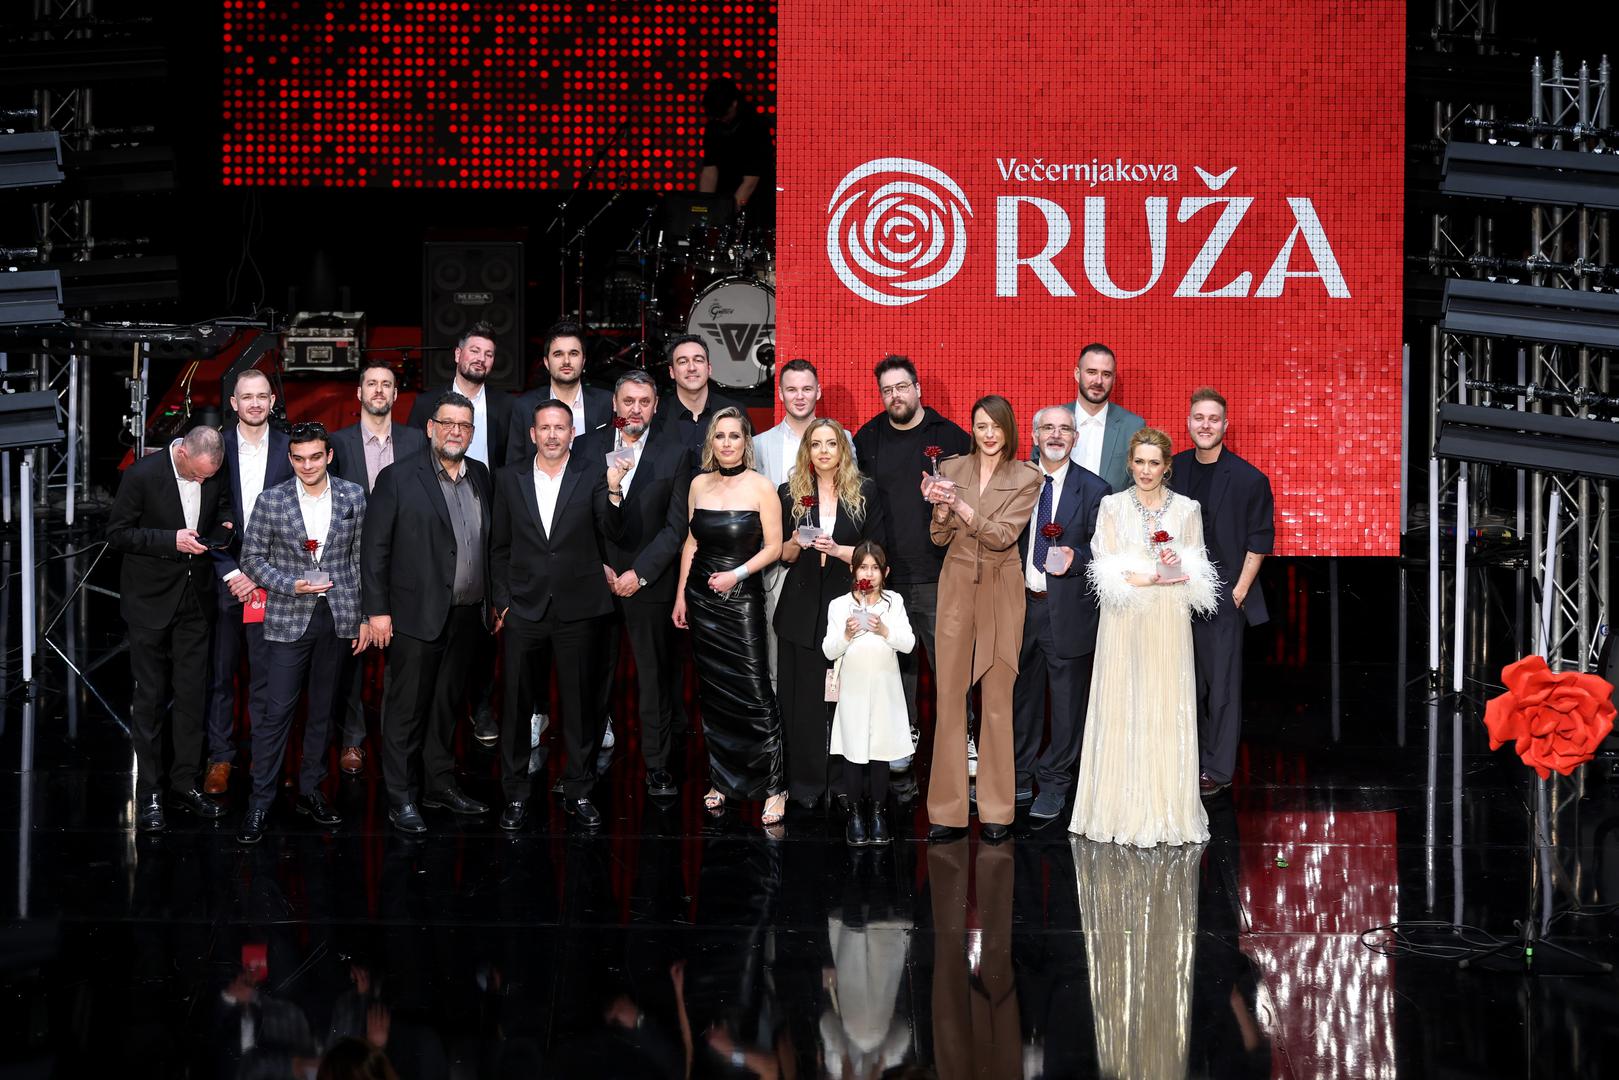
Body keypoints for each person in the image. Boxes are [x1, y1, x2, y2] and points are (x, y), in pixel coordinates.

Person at [1068, 427, 1218, 847]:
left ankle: (1167, 807)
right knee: (1123, 704)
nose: (1146, 470)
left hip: (1167, 620)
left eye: (1154, 463)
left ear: (1167, 467)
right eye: (1139, 462)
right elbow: (1105, 565)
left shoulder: (1187, 509)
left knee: (1165, 704)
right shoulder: (1112, 506)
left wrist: (1176, 564)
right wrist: (1145, 576)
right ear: (1129, 463)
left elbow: (1198, 572)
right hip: (1125, 619)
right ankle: (1118, 807)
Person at [361, 391, 493, 835]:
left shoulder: (480, 475)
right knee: (406, 709)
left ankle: (439, 784)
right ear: (431, 428)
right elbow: (374, 549)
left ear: (471, 433)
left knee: (446, 707)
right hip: (413, 615)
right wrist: (377, 611)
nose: (456, 432)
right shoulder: (398, 477)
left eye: (464, 426)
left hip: (466, 615)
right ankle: (401, 796)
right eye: (448, 423)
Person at [491, 399, 622, 831]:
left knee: (581, 705)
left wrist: (615, 491)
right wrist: (504, 602)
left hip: (579, 608)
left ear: (572, 434)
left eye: (560, 428)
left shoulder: (593, 475)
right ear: (532, 434)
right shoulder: (508, 478)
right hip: (524, 608)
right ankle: (515, 793)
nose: (552, 435)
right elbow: (499, 547)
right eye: (544, 428)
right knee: (516, 705)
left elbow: (612, 531)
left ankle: (579, 789)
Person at [236, 422, 369, 844]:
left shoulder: (353, 496)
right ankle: (260, 802)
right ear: (290, 458)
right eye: (298, 458)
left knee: (323, 712)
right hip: (288, 618)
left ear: (328, 456)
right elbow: (251, 559)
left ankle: (312, 791)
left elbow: (362, 560)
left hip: (337, 617)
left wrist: (364, 616)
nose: (307, 465)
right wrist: (289, 584)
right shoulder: (271, 500)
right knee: (276, 714)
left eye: (315, 457)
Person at [923, 395, 1042, 844]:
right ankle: (947, 809)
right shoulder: (951, 468)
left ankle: (997, 808)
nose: (988, 434)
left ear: (1009, 429)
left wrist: (960, 507)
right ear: (971, 429)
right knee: (950, 696)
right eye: (980, 426)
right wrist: (940, 508)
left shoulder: (1027, 477)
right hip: (955, 581)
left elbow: (1002, 536)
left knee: (996, 699)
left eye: (996, 426)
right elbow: (939, 537)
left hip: (1001, 585)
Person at [107, 425, 235, 832]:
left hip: (197, 601)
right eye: (197, 475)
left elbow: (225, 510)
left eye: (208, 477)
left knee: (192, 697)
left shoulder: (213, 470)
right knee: (150, 699)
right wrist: (170, 540)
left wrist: (222, 532)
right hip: (149, 602)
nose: (202, 482)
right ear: (182, 454)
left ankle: (185, 783)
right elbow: (117, 534)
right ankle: (150, 791)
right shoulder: (141, 475)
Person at [576, 370, 694, 798]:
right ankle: (581, 766)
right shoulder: (585, 447)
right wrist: (600, 566)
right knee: (590, 677)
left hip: (650, 583)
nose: (635, 409)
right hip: (597, 580)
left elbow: (676, 527)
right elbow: (575, 514)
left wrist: (639, 573)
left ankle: (658, 765)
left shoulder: (675, 453)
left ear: (656, 406)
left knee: (654, 678)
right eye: (628, 401)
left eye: (644, 402)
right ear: (614, 403)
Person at [851, 355, 972, 773]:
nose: (895, 396)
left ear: (918, 389)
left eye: (902, 387)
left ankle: (962, 736)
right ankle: (903, 733)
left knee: (950, 665)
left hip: (941, 574)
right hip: (890, 577)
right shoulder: (868, 439)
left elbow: (973, 500)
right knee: (898, 665)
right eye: (887, 390)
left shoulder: (951, 437)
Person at [672, 407, 787, 829]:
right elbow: (691, 543)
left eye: (734, 436)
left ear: (746, 443)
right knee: (715, 695)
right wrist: (681, 596)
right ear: (711, 442)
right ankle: (722, 780)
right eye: (719, 436)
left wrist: (736, 575)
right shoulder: (698, 484)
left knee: (754, 692)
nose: (726, 443)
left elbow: (774, 547)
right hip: (702, 600)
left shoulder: (762, 487)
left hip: (740, 599)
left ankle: (774, 786)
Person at [775, 418, 886, 811]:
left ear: (843, 449)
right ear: (807, 450)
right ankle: (805, 782)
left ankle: (843, 782)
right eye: (816, 444)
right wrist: (794, 541)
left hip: (847, 604)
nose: (824, 451)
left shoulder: (865, 491)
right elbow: (782, 555)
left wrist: (838, 550)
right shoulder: (789, 492)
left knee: (847, 698)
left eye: (831, 443)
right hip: (801, 607)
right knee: (803, 700)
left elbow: (876, 552)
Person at [1172, 388, 1275, 796]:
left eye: (1213, 419)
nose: (1205, 425)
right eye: (1199, 418)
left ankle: (1216, 769)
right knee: (1185, 685)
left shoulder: (1250, 479)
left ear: (1225, 425)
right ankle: (1188, 760)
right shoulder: (1173, 469)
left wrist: (1238, 592)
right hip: (1175, 596)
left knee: (1222, 690)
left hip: (1224, 600)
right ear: (1188, 423)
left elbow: (1259, 541)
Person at [1010, 406, 1110, 822]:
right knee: (1020, 698)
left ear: (1075, 438)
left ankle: (1053, 783)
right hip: (1018, 606)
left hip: (1067, 610)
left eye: (1065, 429)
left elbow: (1105, 552)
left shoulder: (1095, 489)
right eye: (1048, 428)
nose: (1056, 435)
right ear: (1034, 435)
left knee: (1067, 705)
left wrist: (1077, 557)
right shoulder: (1014, 480)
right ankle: (1018, 776)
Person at [328, 362, 427, 776]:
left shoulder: (416, 440)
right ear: (359, 392)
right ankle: (352, 739)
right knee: (352, 657)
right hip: (351, 565)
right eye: (372, 383)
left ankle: (395, 741)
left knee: (402, 660)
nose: (379, 390)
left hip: (404, 563)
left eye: (387, 384)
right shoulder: (337, 443)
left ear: (396, 394)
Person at [204, 369, 292, 795]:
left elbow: (297, 517)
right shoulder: (217, 447)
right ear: (234, 403)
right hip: (226, 578)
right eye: (247, 397)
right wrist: (232, 571)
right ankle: (220, 757)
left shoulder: (290, 448)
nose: (255, 403)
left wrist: (263, 574)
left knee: (265, 677)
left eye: (262, 396)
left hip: (273, 582)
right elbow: (203, 514)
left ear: (272, 401)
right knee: (221, 675)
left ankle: (263, 755)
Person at [755, 359, 850, 686]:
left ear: (818, 392)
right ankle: (784, 717)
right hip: (781, 565)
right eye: (792, 389)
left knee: (834, 657)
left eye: (807, 389)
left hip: (831, 565)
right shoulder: (760, 444)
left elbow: (853, 499)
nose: (799, 396)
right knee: (780, 659)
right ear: (780, 394)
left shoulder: (843, 439)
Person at [822, 541, 914, 847]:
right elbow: (829, 649)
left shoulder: (893, 602)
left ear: (885, 572)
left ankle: (877, 812)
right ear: (853, 569)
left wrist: (884, 630)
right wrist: (847, 634)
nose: (869, 574)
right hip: (853, 691)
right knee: (854, 753)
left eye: (875, 568)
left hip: (885, 689)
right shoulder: (839, 605)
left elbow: (908, 644)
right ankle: (855, 814)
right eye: (863, 567)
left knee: (880, 754)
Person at [407, 321, 514, 472]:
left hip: (489, 486)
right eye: (475, 351)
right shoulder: (425, 403)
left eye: (488, 354)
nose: (481, 359)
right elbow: (412, 457)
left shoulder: (507, 405)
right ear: (458, 354)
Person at [506, 320, 614, 459]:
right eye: (558, 354)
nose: (566, 361)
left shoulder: (607, 402)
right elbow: (514, 464)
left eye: (573, 353)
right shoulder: (524, 406)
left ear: (583, 361)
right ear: (546, 362)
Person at [1057, 343, 1143, 493]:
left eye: (1106, 374)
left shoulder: (1133, 427)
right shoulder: (1052, 420)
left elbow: (1138, 483)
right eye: (1091, 372)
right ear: (1077, 374)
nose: (1098, 381)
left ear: (1113, 379)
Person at [696, 76, 774, 228]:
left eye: (723, 114)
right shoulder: (713, 128)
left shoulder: (756, 126)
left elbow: (750, 181)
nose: (721, 119)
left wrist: (725, 216)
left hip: (755, 203)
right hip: (724, 197)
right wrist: (705, 209)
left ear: (734, 103)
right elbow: (710, 171)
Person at [653, 334, 742, 459]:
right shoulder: (656, 415)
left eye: (698, 360)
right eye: (683, 362)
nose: (691, 368)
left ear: (709, 369)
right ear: (672, 372)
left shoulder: (735, 412)